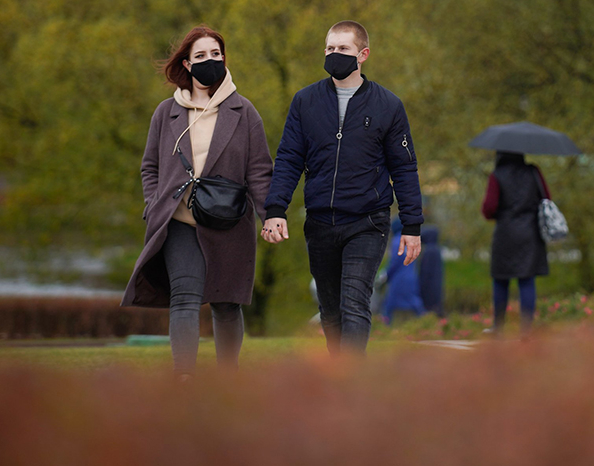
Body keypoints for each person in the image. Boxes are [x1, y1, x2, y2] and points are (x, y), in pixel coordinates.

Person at [261, 21, 423, 355]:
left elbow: (404, 167)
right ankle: (338, 374)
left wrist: (412, 225)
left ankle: (351, 380)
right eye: (330, 48)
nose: (335, 54)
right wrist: (275, 210)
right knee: (330, 309)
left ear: (363, 55)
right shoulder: (305, 102)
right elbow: (289, 158)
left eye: (343, 49)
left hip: (368, 221)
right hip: (320, 221)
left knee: (355, 299)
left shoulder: (387, 105)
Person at [122, 26, 273, 379]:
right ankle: (183, 378)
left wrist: (271, 216)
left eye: (216, 54)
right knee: (185, 298)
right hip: (178, 222)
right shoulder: (166, 113)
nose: (210, 61)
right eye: (201, 56)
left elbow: (260, 171)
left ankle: (228, 378)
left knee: (225, 302)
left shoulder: (244, 112)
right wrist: (153, 204)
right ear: (187, 65)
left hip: (229, 221)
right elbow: (150, 167)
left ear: (225, 59)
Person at [481, 151, 550, 331]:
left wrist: (496, 213)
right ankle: (526, 329)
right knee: (527, 279)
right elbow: (546, 197)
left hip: (505, 233)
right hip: (530, 231)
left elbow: (489, 207)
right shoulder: (533, 172)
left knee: (500, 279)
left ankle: (498, 326)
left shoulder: (497, 176)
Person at [381, 218, 426, 324]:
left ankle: (385, 326)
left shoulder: (397, 241)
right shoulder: (409, 240)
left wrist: (386, 275)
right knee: (415, 302)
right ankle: (427, 323)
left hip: (399, 278)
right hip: (411, 277)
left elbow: (394, 262)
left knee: (389, 304)